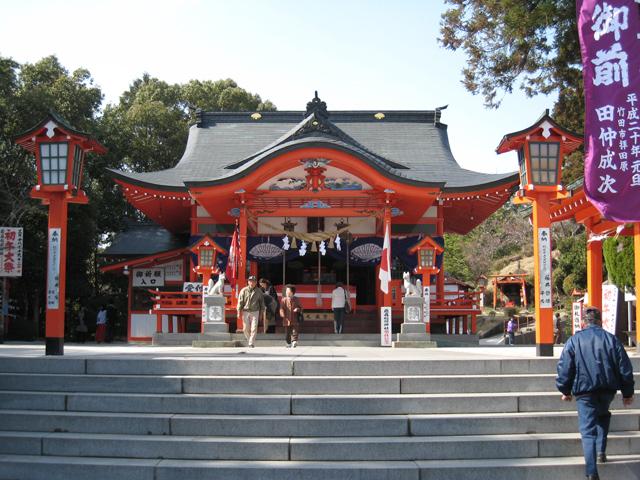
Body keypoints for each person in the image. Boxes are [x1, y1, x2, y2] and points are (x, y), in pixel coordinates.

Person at [556, 306, 635, 480]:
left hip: (584, 391)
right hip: (607, 389)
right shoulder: (611, 339)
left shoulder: (574, 340)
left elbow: (564, 367)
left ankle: (592, 471)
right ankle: (601, 451)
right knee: (603, 415)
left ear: (583, 322)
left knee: (587, 430)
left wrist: (565, 390)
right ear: (600, 321)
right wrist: (627, 393)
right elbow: (624, 368)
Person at [237, 275, 265, 348]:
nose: (252, 283)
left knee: (254, 328)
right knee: (245, 328)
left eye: (253, 281)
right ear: (248, 282)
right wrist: (238, 311)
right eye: (250, 281)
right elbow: (240, 302)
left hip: (255, 311)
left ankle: (251, 343)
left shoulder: (259, 291)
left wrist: (261, 313)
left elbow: (262, 303)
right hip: (246, 311)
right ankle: (250, 340)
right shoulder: (243, 290)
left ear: (256, 283)